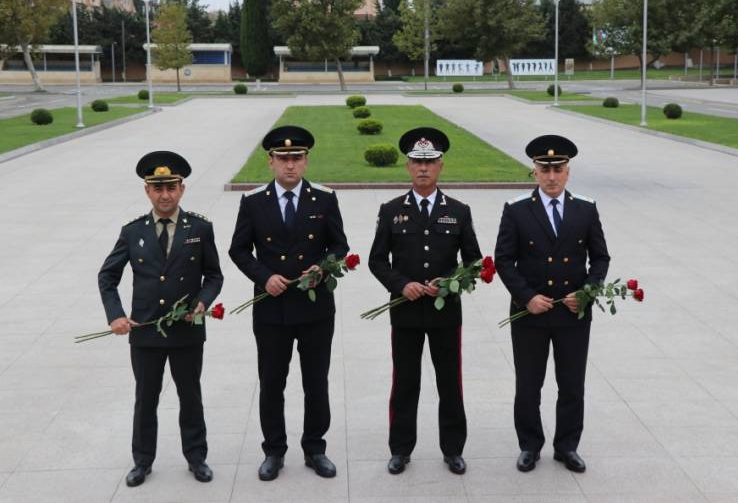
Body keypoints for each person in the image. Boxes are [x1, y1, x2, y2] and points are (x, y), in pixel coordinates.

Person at [228, 125, 349, 481]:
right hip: (272, 309)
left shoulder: (324, 199)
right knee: (271, 383)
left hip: (315, 309)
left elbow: (339, 246)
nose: (290, 165)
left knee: (316, 383)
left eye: (297, 158)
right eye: (283, 159)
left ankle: (315, 448)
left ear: (306, 161)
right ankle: (274, 450)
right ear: (271, 162)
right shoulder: (253, 201)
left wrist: (323, 268)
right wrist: (264, 276)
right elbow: (238, 249)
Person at [98, 151, 223, 487]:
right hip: (145, 331)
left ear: (182, 189)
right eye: (158, 188)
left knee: (190, 396)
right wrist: (116, 315)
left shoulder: (200, 228)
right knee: (146, 399)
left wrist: (203, 302)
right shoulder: (132, 231)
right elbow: (107, 276)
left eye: (171, 188)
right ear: (147, 191)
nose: (165, 195)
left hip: (186, 329)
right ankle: (142, 461)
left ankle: (196, 458)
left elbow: (214, 275)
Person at [368, 127, 482, 475]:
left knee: (450, 383)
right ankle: (400, 449)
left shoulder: (458, 211)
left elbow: (474, 262)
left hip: (445, 313)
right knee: (405, 383)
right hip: (405, 312)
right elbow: (377, 260)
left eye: (430, 162)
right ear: (408, 166)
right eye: (417, 162)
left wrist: (449, 284)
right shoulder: (391, 210)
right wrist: (401, 285)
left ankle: (453, 450)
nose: (423, 168)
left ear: (440, 166)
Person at [494, 135, 610, 474]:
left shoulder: (585, 208)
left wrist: (587, 292)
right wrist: (527, 297)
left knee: (572, 384)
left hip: (572, 313)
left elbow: (600, 258)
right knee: (529, 385)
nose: (551, 177)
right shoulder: (516, 209)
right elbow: (504, 260)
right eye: (544, 170)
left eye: (558, 169)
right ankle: (530, 445)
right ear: (535, 172)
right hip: (530, 313)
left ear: (568, 172)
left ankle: (567, 446)